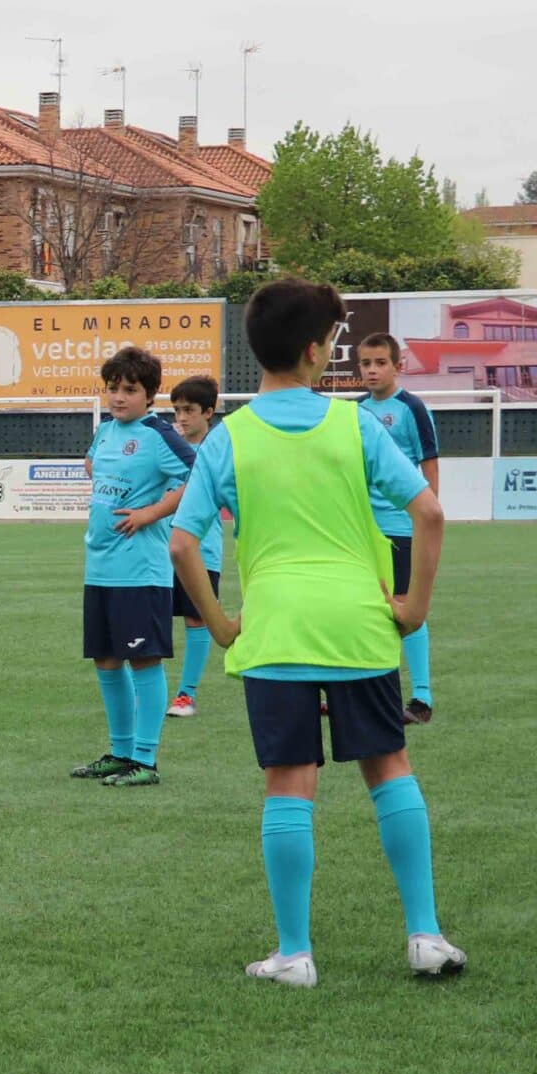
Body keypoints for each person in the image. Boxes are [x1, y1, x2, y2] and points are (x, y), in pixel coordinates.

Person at [173, 277, 465, 988]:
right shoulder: (354, 423)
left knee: (289, 782)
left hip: (276, 630)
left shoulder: (228, 436)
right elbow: (429, 512)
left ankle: (294, 953)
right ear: (313, 352)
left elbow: (183, 544)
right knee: (388, 767)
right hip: (358, 624)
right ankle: (425, 936)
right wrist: (413, 607)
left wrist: (220, 627)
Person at [72, 347, 195, 787]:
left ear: (149, 395)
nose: (118, 398)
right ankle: (120, 751)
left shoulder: (158, 435)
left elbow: (197, 476)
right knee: (106, 660)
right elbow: (93, 464)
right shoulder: (105, 432)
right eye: (112, 389)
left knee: (143, 660)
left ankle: (146, 759)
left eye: (129, 390)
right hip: (100, 565)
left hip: (140, 569)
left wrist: (150, 513)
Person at [355, 334, 442, 724]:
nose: (372, 370)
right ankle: (369, 692)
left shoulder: (411, 408)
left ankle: (421, 698)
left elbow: (429, 463)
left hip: (400, 526)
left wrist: (428, 518)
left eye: (379, 363)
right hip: (363, 528)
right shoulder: (355, 412)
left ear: (397, 366)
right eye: (365, 363)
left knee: (404, 608)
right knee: (369, 607)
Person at [165, 375, 227, 719]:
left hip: (203, 551)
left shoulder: (218, 449)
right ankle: (148, 690)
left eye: (189, 410)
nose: (182, 417)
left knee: (196, 617)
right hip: (160, 550)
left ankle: (186, 695)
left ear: (209, 411)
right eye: (177, 410)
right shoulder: (168, 446)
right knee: (153, 619)